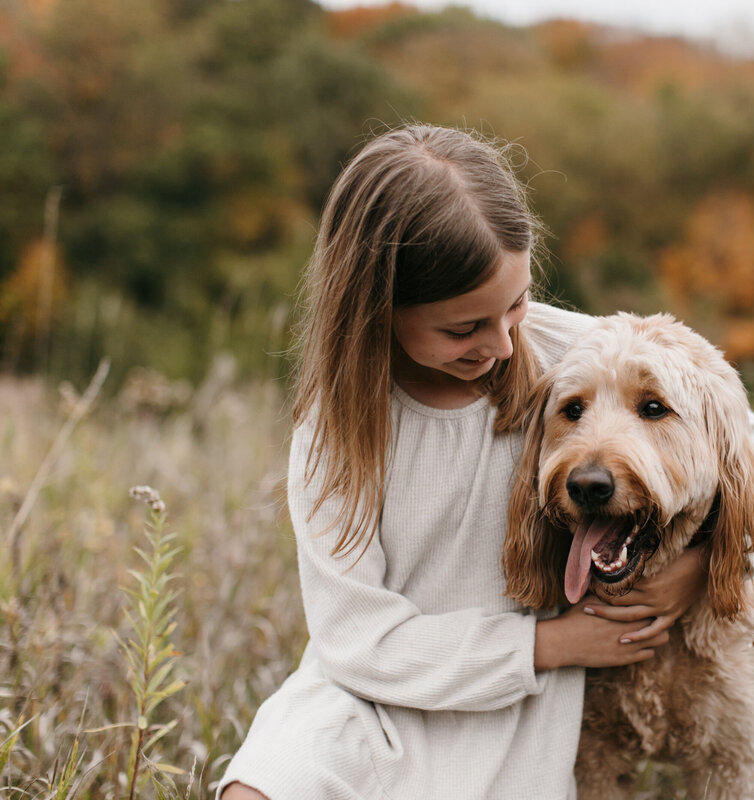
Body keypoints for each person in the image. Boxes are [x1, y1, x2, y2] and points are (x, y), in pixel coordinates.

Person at [218, 124, 709, 800]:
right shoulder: (337, 431)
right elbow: (357, 641)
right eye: (464, 329)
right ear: (377, 308)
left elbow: (732, 431)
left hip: (524, 710)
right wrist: (548, 646)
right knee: (258, 788)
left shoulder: (573, 351)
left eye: (517, 304)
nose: (505, 345)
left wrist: (694, 568)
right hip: (378, 696)